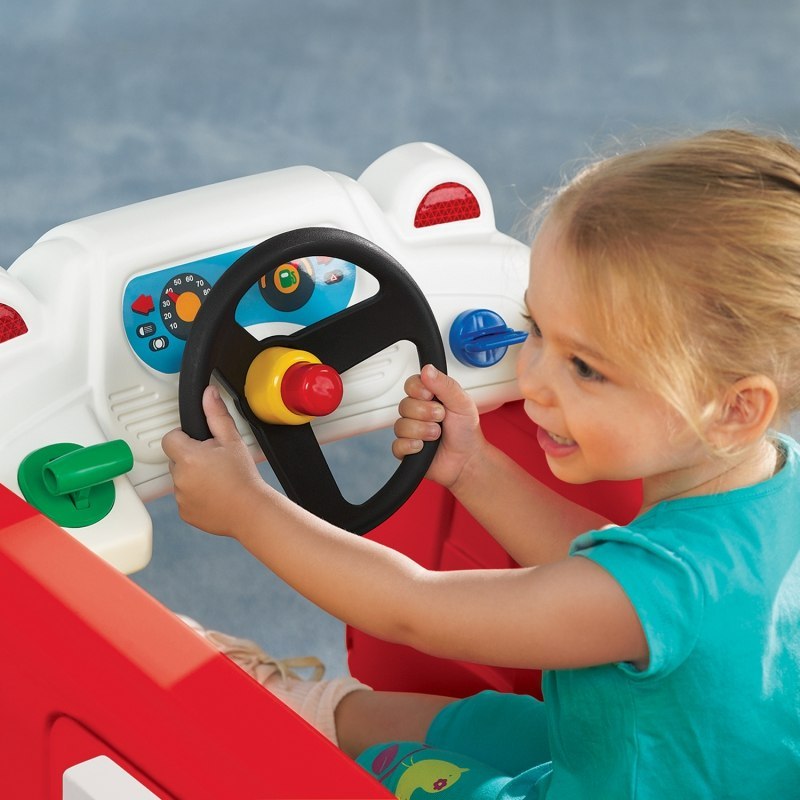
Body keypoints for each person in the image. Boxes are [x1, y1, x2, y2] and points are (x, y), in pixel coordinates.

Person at [162, 129, 800, 798]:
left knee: (391, 773)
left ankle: (283, 728)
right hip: (664, 756)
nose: (532, 378)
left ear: (735, 409)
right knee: (491, 722)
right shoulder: (770, 479)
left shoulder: (656, 592)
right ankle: (303, 707)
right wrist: (474, 468)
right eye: (537, 328)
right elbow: (611, 566)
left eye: (586, 367)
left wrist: (247, 508)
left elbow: (412, 608)